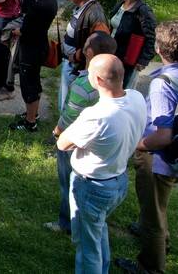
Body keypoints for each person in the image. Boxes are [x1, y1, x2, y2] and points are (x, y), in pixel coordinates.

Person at [57, 54, 147, 274]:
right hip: (118, 179)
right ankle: (103, 267)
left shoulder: (96, 115)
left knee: (88, 246)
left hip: (93, 186)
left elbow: (62, 142)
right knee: (97, 229)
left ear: (97, 80)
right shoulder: (136, 97)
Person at [115, 21, 178, 274]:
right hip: (174, 157)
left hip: (158, 156)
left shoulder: (163, 82)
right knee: (159, 203)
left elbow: (163, 135)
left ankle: (150, 267)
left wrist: (138, 145)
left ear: (159, 48)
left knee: (152, 214)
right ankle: (163, 241)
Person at [44, 31, 117, 235]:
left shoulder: (83, 85)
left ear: (89, 52)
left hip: (74, 140)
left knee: (68, 182)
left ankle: (66, 222)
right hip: (99, 142)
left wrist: (57, 133)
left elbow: (68, 118)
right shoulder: (113, 81)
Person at [9, 0, 58, 131]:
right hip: (39, 47)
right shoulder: (50, 0)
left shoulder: (40, 6)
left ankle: (30, 123)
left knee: (29, 85)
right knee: (34, 82)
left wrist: (17, 31)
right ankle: (33, 113)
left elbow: (28, 30)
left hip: (31, 50)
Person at [59, 0, 110, 111]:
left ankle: (63, 131)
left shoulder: (95, 15)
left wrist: (75, 57)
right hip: (71, 64)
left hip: (77, 67)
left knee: (71, 107)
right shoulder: (83, 8)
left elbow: (100, 46)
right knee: (65, 102)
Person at [110, 0, 157, 89]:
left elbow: (152, 37)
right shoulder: (120, 4)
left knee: (122, 89)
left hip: (128, 59)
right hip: (112, 53)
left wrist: (144, 60)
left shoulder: (143, 11)